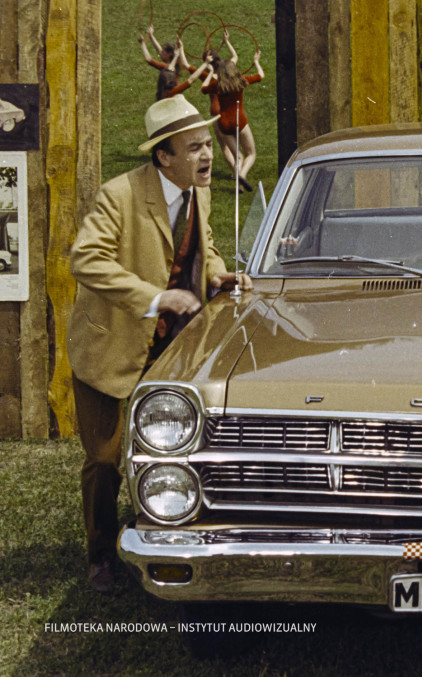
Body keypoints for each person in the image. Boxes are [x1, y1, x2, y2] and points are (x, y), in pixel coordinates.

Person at [67, 94, 253, 592]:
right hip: (110, 347)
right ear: (164, 156)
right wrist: (154, 298)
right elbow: (85, 259)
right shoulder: (119, 195)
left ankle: (168, 535)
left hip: (173, 351)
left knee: (175, 450)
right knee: (104, 459)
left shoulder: (199, 192)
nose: (207, 155)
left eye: (207, 144)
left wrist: (218, 275)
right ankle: (101, 557)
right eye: (194, 148)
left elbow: (204, 246)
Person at [200, 30, 264, 192]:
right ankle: (242, 175)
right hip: (239, 120)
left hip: (224, 123)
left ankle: (239, 186)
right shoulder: (241, 81)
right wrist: (256, 61)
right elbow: (260, 76)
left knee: (238, 156)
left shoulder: (217, 85)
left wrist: (209, 72)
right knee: (251, 154)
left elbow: (203, 88)